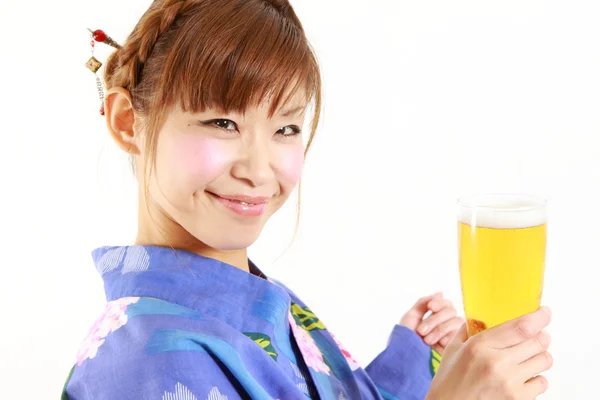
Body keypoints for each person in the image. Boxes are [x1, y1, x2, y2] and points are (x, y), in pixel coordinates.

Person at [63, 0, 553, 399]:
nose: (258, 169)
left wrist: (412, 367)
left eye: (286, 129)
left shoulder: (262, 304)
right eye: (222, 123)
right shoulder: (142, 364)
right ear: (128, 122)